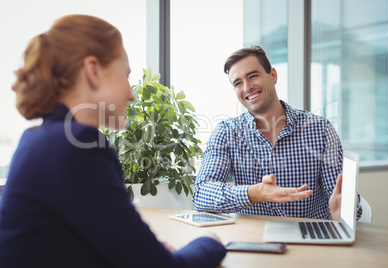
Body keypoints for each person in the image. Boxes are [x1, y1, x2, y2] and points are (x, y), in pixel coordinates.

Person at [0, 15, 226, 267]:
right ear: (93, 70)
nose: (131, 94)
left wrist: (144, 250)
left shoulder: (37, 138)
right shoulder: (77, 144)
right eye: (126, 75)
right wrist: (211, 242)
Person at [193, 45, 362, 221]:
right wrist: (256, 193)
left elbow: (345, 201)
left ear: (273, 76)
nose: (247, 87)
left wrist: (342, 212)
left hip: (308, 237)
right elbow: (201, 194)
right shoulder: (226, 133)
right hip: (252, 240)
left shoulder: (321, 129)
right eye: (238, 83)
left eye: (253, 76)